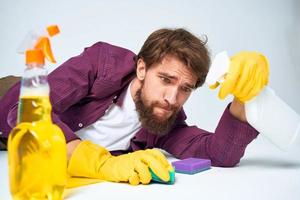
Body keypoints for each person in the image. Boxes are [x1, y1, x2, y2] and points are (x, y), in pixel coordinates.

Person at [0, 28, 269, 185]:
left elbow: (219, 154)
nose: (172, 98)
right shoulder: (102, 64)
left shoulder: (164, 120)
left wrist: (245, 97)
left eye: (185, 89)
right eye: (165, 79)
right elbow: (23, 110)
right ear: (142, 67)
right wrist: (100, 164)